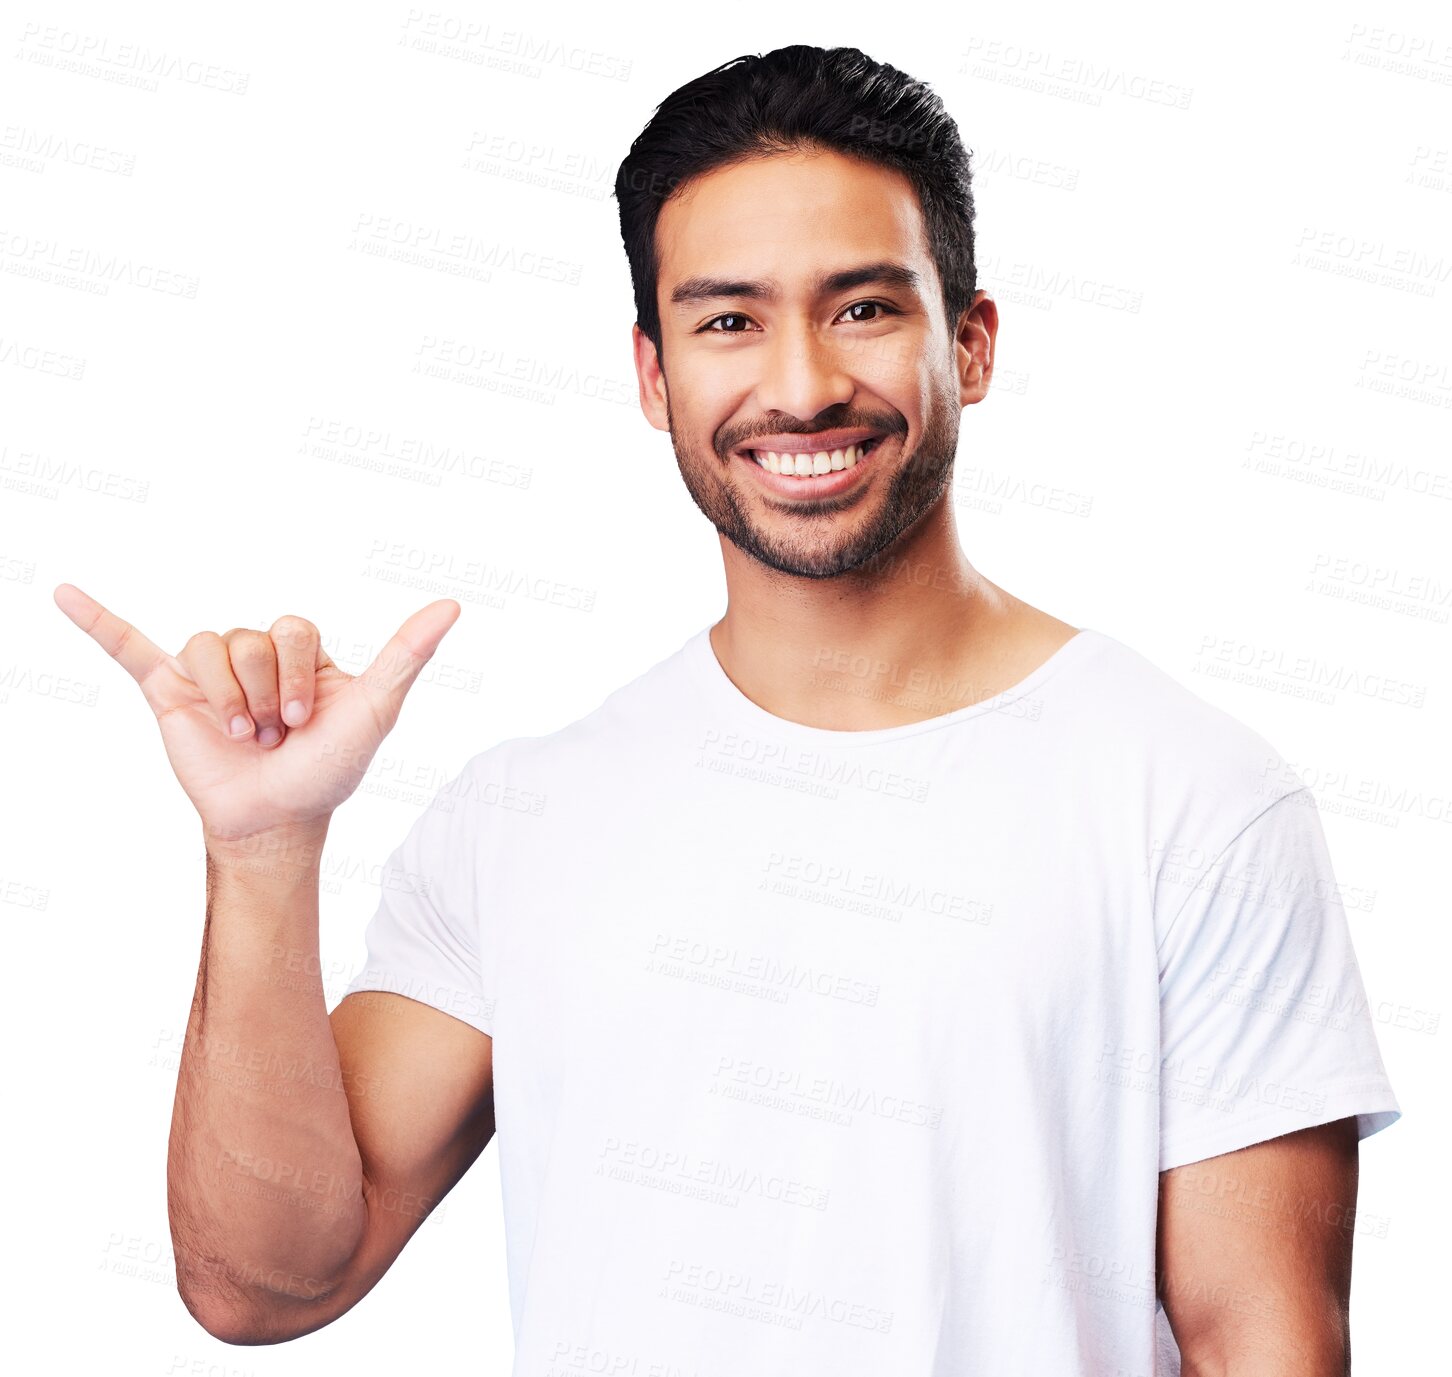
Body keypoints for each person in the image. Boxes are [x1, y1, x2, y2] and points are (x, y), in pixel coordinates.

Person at [57, 43, 1400, 1376]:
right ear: (653, 375)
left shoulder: (1192, 802)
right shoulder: (527, 817)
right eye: (727, 320)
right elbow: (264, 1283)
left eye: (866, 307)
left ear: (972, 343)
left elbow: (1263, 1344)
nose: (803, 383)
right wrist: (262, 855)